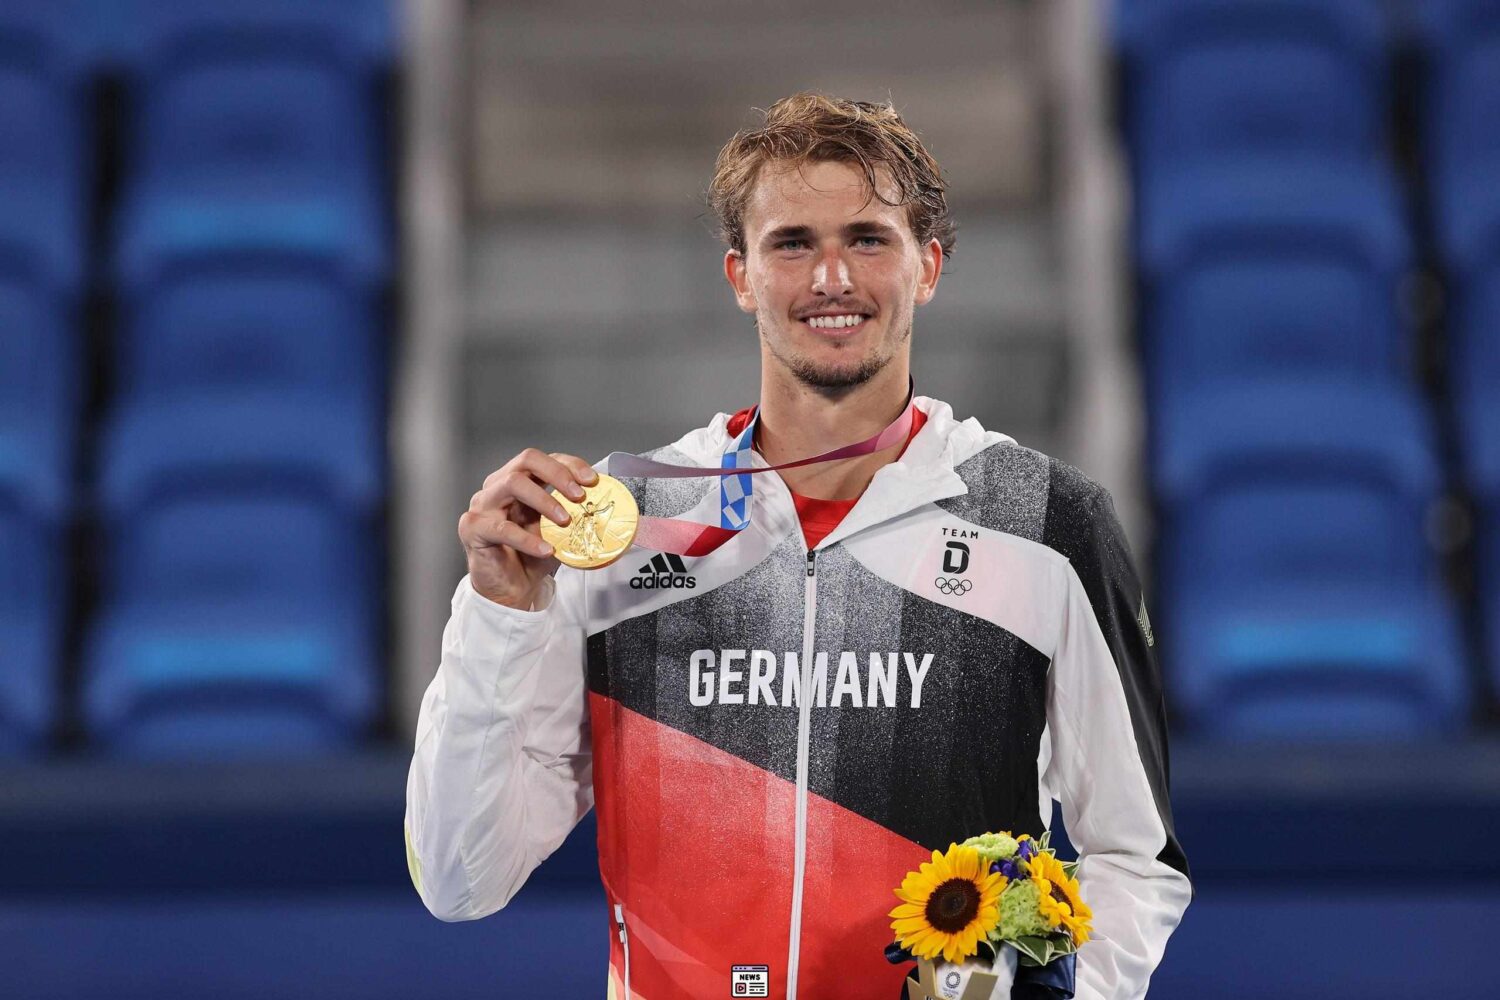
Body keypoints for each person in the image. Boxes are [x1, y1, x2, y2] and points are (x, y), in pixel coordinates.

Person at [405, 92, 1191, 1000]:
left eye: (868, 238)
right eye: (792, 243)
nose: (831, 278)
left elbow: (1137, 855)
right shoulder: (629, 523)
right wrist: (499, 615)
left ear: (927, 266)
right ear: (740, 276)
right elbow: (459, 880)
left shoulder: (1046, 523)